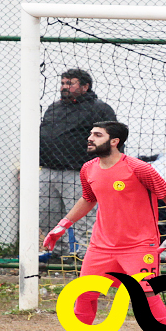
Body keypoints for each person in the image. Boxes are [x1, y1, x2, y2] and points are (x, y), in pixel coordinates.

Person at [45, 121, 166, 331]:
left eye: (97, 135)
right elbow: (88, 199)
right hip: (101, 246)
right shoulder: (88, 168)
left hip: (140, 246)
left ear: (114, 141)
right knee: (85, 294)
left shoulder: (139, 168)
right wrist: (62, 225)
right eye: (90, 134)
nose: (90, 138)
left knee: (147, 295)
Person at [39, 68, 116, 258]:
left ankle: (88, 256)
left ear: (85, 86)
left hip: (79, 171)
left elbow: (111, 138)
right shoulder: (54, 107)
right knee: (45, 214)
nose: (64, 87)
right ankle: (58, 252)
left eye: (70, 83)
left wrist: (105, 168)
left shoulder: (99, 109)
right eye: (63, 83)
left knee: (84, 218)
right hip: (48, 170)